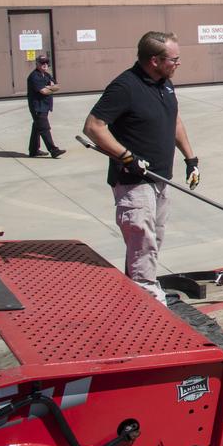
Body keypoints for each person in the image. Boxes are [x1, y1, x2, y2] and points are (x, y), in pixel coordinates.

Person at [83, 32, 200, 303]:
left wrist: (190, 158)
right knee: (142, 240)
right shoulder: (125, 87)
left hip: (160, 177)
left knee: (153, 239)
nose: (178, 64)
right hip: (134, 181)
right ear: (155, 60)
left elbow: (175, 121)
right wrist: (126, 157)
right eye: (174, 59)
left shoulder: (165, 85)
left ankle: (141, 289)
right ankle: (146, 299)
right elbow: (93, 127)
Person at [26, 54, 65, 158]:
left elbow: (58, 86)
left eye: (47, 62)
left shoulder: (47, 75)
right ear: (37, 64)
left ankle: (33, 151)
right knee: (44, 128)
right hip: (37, 107)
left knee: (37, 128)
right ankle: (53, 150)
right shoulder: (34, 76)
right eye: (42, 63)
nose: (45, 65)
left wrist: (49, 87)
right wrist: (50, 87)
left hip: (45, 106)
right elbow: (43, 91)